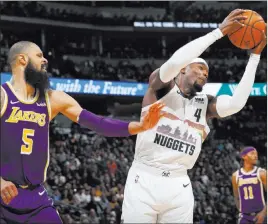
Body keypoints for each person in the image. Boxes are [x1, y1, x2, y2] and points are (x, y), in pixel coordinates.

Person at [121, 9, 267, 223]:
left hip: (179, 185)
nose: (204, 74)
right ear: (182, 70)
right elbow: (172, 63)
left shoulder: (206, 103)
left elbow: (236, 103)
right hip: (144, 177)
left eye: (206, 73)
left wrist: (255, 56)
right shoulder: (160, 88)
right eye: (198, 68)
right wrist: (218, 32)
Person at [0, 41, 165, 224]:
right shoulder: (3, 96)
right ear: (22, 59)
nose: (45, 59)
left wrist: (140, 126)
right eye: (39, 55)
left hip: (35, 198)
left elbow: (98, 123)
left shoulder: (53, 99)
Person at [232, 147, 267, 224]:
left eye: (256, 154)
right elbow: (236, 197)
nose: (256, 156)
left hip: (261, 215)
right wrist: (241, 211)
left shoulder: (262, 173)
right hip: (245, 217)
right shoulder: (235, 176)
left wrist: (264, 213)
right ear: (244, 156)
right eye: (252, 153)